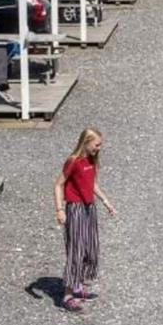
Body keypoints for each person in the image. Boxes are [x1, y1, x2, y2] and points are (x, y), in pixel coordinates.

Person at [53, 127, 116, 313]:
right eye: (97, 145)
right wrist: (59, 209)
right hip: (76, 209)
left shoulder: (91, 160)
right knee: (77, 250)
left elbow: (92, 184)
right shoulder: (74, 161)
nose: (99, 148)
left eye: (100, 145)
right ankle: (67, 295)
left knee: (91, 249)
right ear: (86, 142)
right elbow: (58, 184)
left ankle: (79, 286)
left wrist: (106, 202)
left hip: (90, 208)